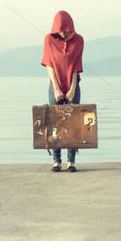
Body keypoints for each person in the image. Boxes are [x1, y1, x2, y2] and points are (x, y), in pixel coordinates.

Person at [40, 10, 84, 172]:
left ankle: (71, 161)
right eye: (63, 30)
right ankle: (56, 161)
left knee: (73, 121)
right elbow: (49, 64)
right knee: (55, 122)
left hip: (72, 84)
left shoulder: (78, 40)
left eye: (69, 30)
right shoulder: (48, 40)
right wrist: (57, 88)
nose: (66, 34)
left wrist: (72, 89)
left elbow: (76, 67)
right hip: (55, 85)